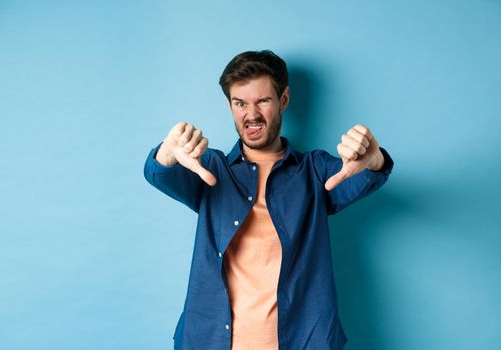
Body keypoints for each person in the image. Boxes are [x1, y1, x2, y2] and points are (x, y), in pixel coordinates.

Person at [143, 50, 394, 350]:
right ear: (230, 105)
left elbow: (366, 175)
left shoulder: (314, 172)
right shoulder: (211, 170)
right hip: (212, 341)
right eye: (240, 103)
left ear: (284, 100)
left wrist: (373, 158)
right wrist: (168, 153)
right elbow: (159, 173)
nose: (251, 115)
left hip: (301, 342)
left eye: (262, 101)